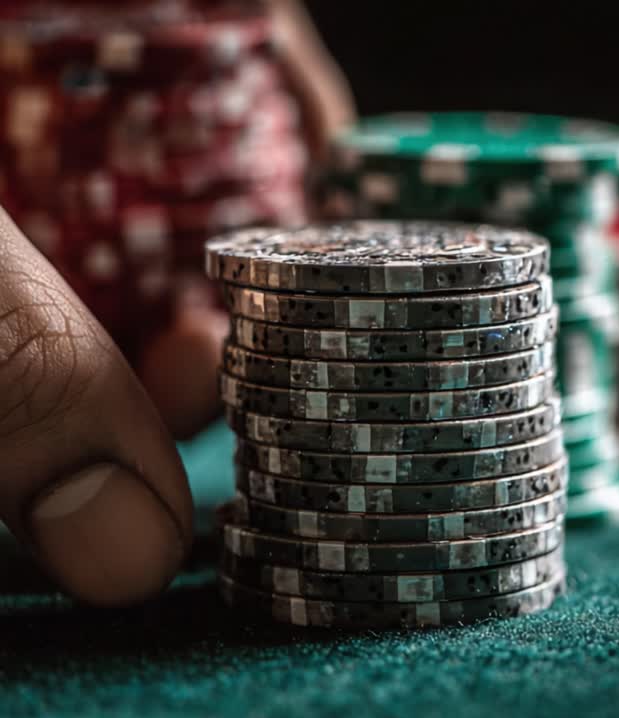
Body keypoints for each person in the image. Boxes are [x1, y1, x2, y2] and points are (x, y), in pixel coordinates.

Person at [0, 0, 354, 608]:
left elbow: (325, 109)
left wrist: (347, 216)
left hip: (211, 270)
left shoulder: (253, 11)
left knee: (199, 356)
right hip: (44, 274)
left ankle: (150, 406)